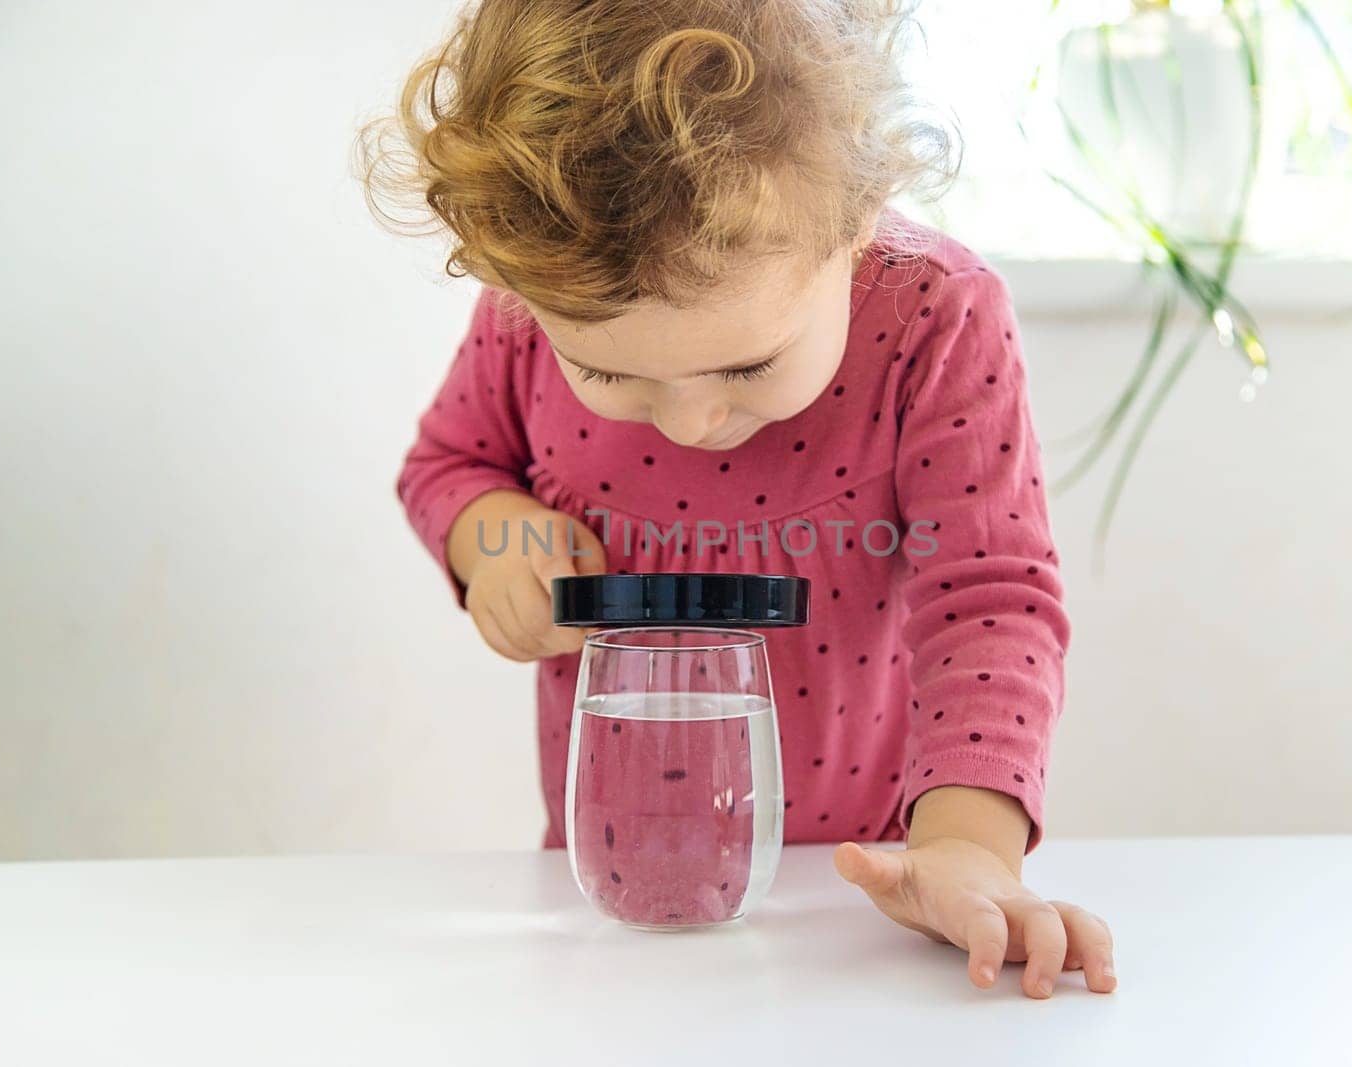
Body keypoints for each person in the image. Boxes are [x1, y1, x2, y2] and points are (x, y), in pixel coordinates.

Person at [359, 0, 1115, 997]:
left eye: (748, 364)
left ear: (853, 221)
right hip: (607, 894)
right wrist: (490, 540)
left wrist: (966, 850)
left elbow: (988, 598)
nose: (688, 421)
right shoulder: (527, 314)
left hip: (872, 900)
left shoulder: (935, 318)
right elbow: (448, 462)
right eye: (608, 374)